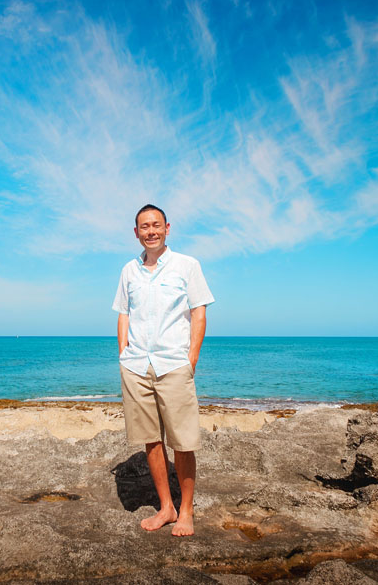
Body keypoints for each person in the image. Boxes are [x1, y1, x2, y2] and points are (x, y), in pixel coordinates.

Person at [112, 203, 214, 537]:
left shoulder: (187, 265)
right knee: (151, 441)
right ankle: (166, 507)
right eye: (144, 226)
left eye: (156, 225)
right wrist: (123, 353)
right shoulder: (129, 270)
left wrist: (191, 358)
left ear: (167, 228)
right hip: (137, 365)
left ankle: (186, 511)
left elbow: (199, 312)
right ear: (136, 232)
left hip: (173, 364)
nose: (151, 231)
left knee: (183, 442)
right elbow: (123, 313)